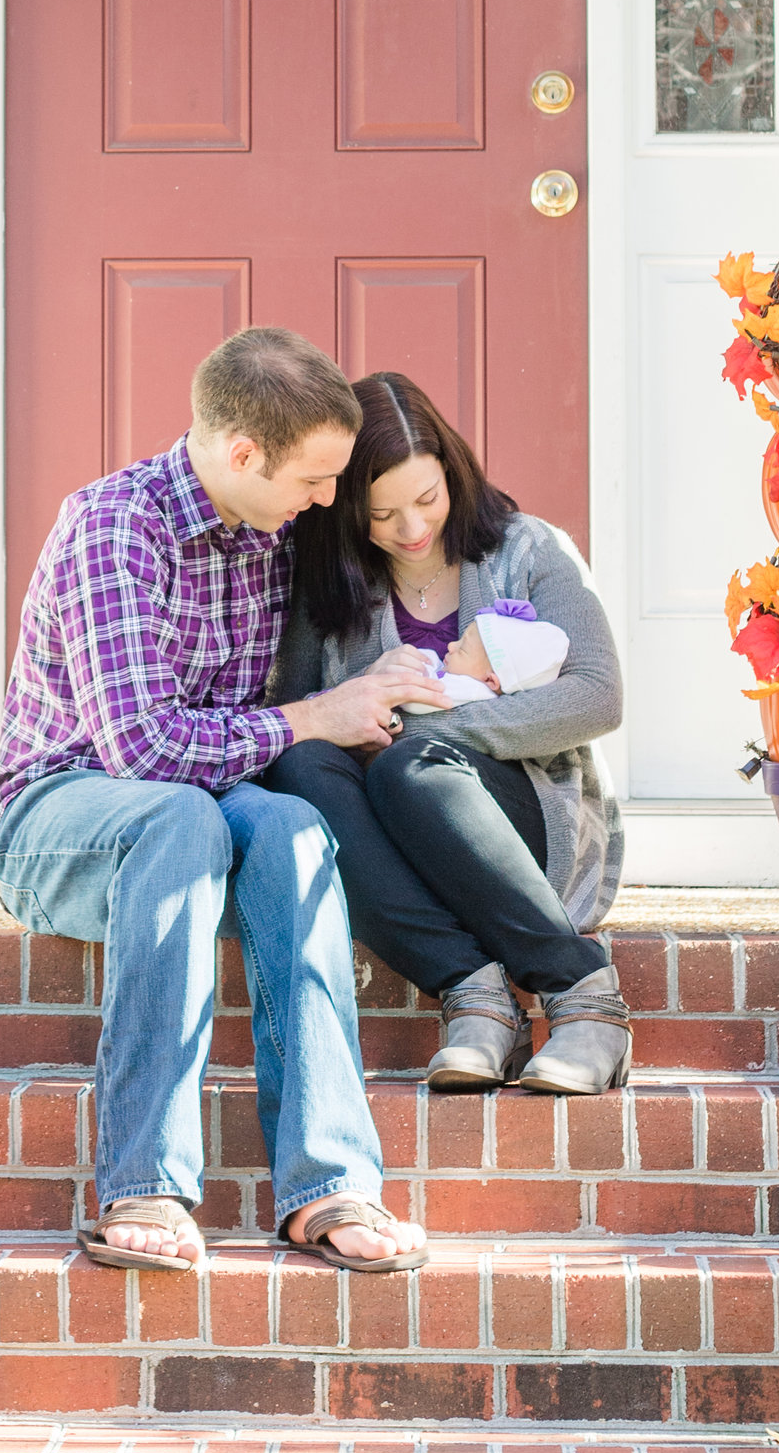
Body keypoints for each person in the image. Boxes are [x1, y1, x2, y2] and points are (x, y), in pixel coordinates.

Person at [0, 328, 429, 1278]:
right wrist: (315, 717)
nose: (326, 501)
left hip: (205, 812)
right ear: (241, 455)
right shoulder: (113, 527)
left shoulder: (268, 533)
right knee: (180, 813)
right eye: (313, 479)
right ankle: (144, 1181)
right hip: (55, 817)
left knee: (298, 827)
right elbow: (141, 750)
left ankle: (330, 1182)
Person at [262, 372, 630, 1095]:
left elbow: (598, 695)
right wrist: (357, 703)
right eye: (382, 513)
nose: (411, 529)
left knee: (413, 765)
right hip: (386, 840)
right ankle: (476, 996)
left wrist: (433, 727)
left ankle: (585, 1000)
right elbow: (296, 709)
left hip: (516, 819)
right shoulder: (330, 576)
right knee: (300, 769)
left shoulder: (529, 551)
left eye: (427, 500)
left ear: (453, 472)